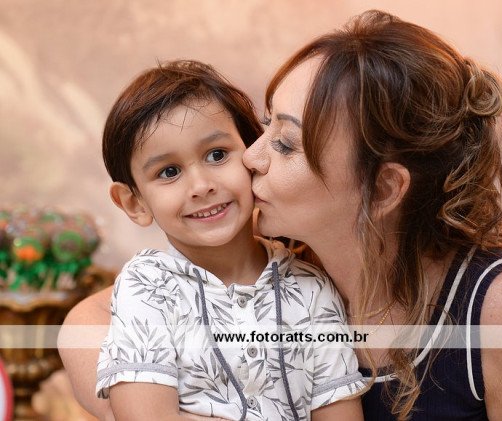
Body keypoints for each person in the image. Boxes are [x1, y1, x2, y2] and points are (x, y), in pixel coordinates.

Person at [60, 10, 502, 421]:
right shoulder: (286, 253)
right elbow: (88, 320)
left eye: (286, 144)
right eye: (265, 124)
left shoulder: (495, 312)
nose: (251, 157)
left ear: (383, 189)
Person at [71, 59, 365, 421]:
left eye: (217, 155)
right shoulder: (146, 289)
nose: (201, 186)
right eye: (169, 172)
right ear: (135, 203)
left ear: (253, 153)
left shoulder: (313, 290)